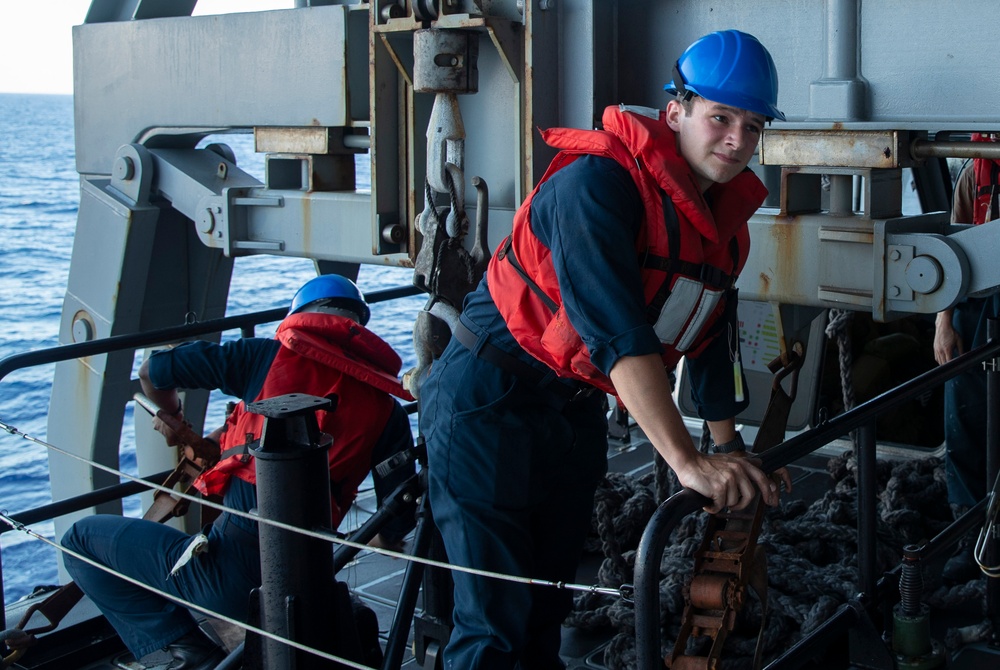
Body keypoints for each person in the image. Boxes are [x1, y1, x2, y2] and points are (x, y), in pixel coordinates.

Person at [418, 29, 793, 669]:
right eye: (721, 118)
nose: (738, 140)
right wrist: (686, 461)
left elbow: (711, 336)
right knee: (495, 626)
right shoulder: (597, 185)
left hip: (570, 411)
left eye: (754, 127)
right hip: (487, 399)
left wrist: (728, 449)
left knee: (546, 607)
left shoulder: (723, 229)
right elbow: (618, 335)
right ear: (675, 112)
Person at [61, 275, 416, 670]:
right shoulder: (388, 411)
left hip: (227, 577)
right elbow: (396, 517)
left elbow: (154, 371)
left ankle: (184, 651)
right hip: (311, 583)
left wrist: (174, 418)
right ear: (357, 329)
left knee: (79, 541)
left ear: (299, 317)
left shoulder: (261, 358)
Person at [933, 133, 1000, 583]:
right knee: (965, 421)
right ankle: (970, 540)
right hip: (975, 311)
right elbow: (951, 250)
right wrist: (943, 321)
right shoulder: (971, 176)